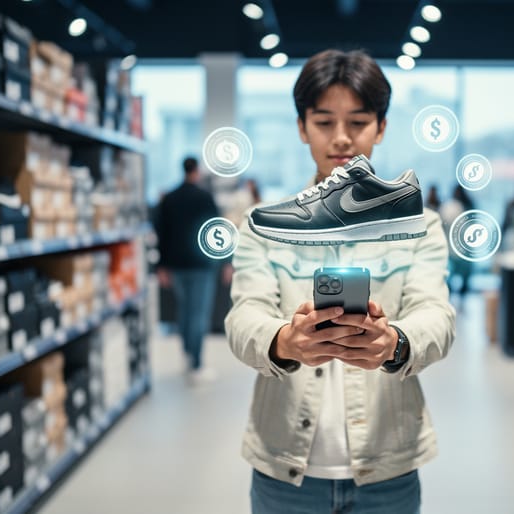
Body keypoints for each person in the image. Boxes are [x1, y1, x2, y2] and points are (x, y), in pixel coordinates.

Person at [225, 49, 455, 513]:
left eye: (359, 121)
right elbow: (244, 315)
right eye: (325, 122)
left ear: (382, 127)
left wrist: (396, 343)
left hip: (387, 468)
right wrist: (284, 341)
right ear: (302, 126)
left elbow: (437, 315)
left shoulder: (421, 224)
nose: (342, 138)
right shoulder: (264, 223)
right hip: (283, 467)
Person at [156, 156, 220, 384]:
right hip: (201, 265)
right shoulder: (205, 197)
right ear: (197, 171)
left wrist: (161, 266)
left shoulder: (169, 198)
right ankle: (196, 363)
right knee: (199, 315)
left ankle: (186, 353)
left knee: (184, 311)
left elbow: (161, 234)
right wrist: (226, 261)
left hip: (176, 265)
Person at [438, 184, 475, 299]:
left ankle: (457, 299)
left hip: (458, 248)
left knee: (457, 277)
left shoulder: (455, 206)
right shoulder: (454, 206)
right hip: (458, 248)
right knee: (455, 276)